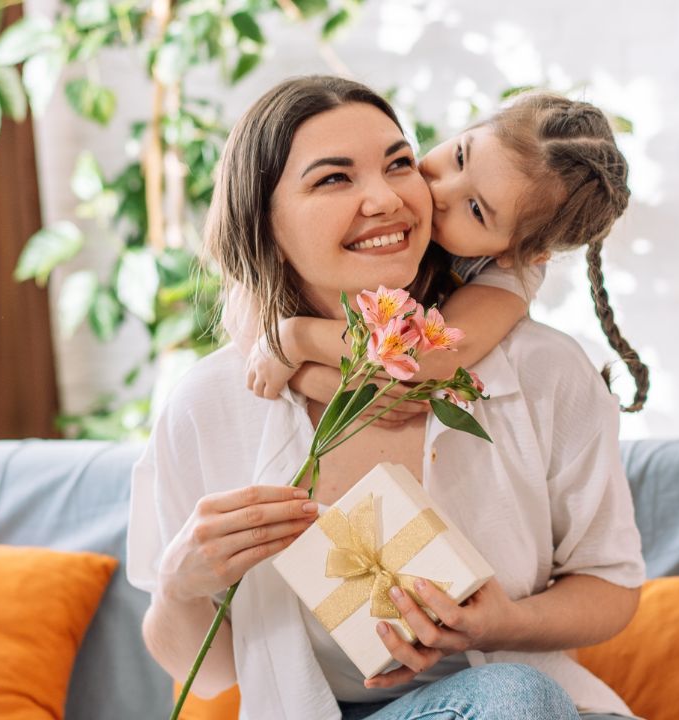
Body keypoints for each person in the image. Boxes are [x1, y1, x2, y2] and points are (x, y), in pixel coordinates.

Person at [127, 75, 646, 720]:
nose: (390, 198)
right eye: (333, 179)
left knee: (510, 698)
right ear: (262, 212)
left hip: (521, 707)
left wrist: (499, 623)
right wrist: (183, 582)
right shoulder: (210, 403)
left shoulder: (542, 372)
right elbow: (203, 677)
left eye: (398, 163)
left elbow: (613, 586)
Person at [226, 92, 650, 428]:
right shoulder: (391, 183)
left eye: (477, 210)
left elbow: (430, 356)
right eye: (460, 157)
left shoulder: (508, 282)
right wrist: (306, 375)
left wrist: (298, 340)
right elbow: (245, 287)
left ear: (519, 254)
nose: (440, 191)